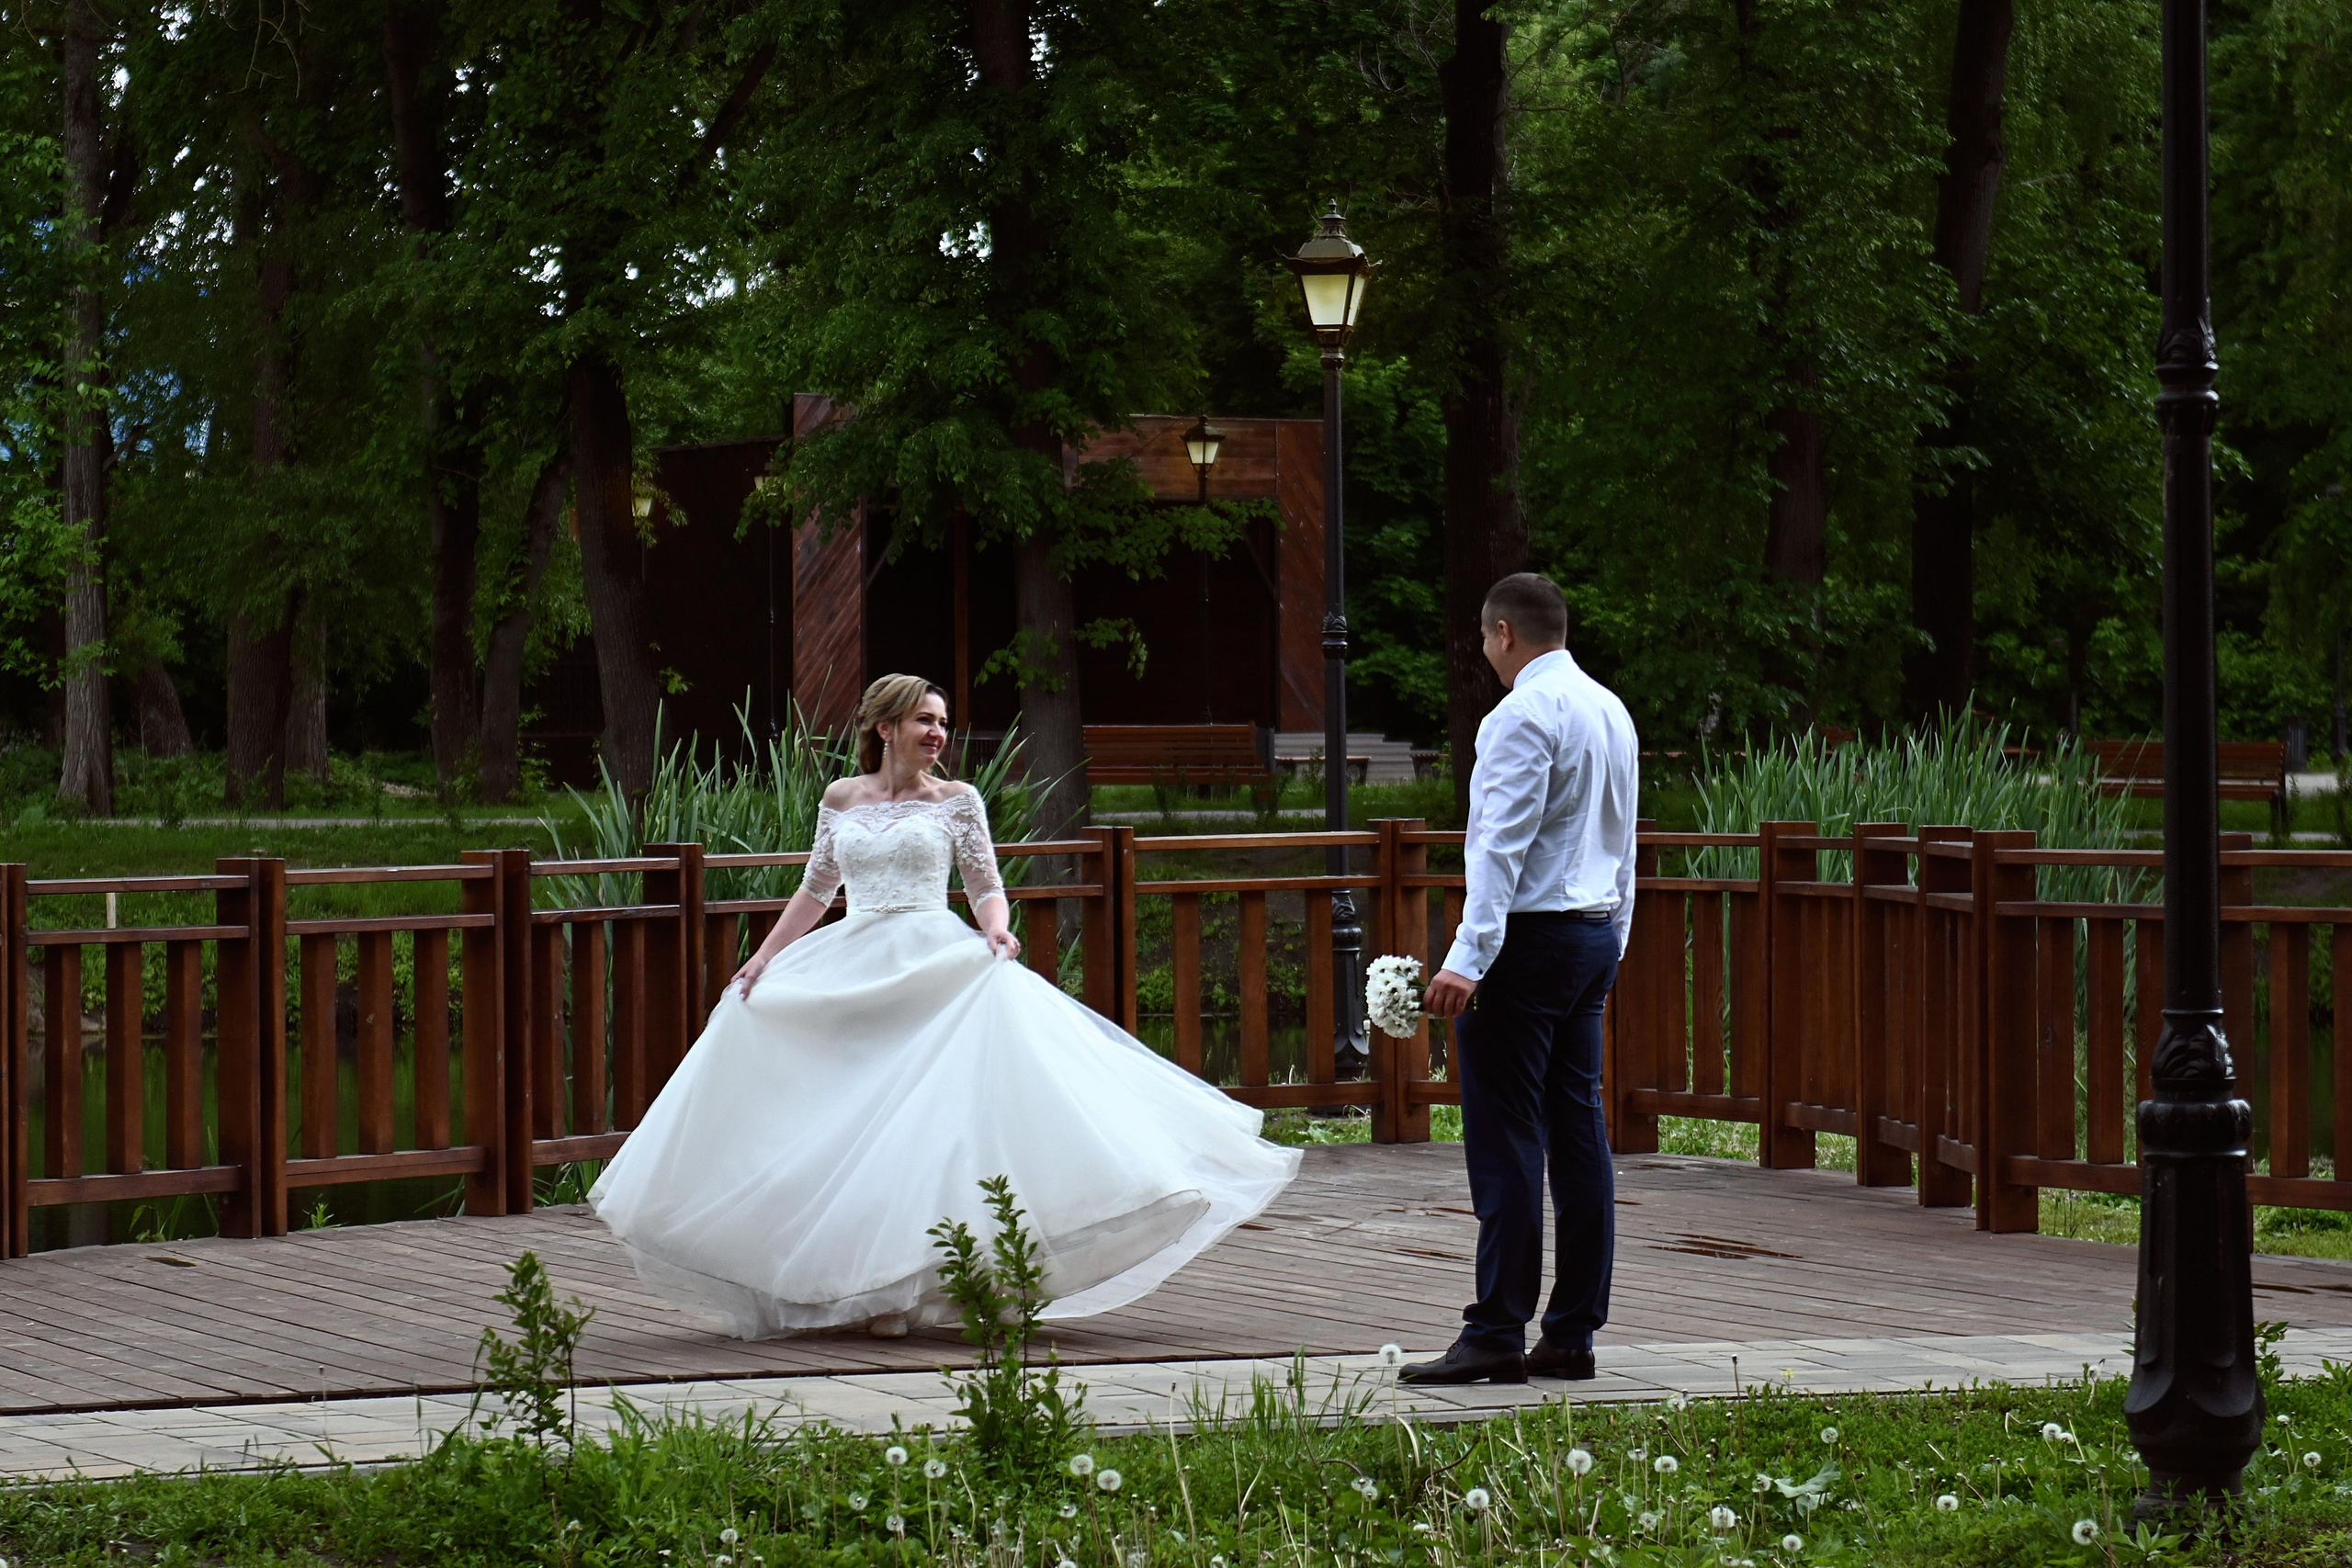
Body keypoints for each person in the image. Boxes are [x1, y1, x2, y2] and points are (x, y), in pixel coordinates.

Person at [590, 674, 1300, 1339]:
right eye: (925, 721)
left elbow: (984, 880)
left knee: (926, 1128)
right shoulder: (842, 798)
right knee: (852, 1116)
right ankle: (858, 1281)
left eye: (943, 723)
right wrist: (767, 955)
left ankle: (905, 1289)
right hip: (858, 958)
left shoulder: (956, 799)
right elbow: (817, 888)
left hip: (934, 958)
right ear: (887, 726)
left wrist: (995, 925)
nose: (938, 733)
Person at [1399, 573, 1639, 1385]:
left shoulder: (1520, 717)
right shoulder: (1611, 710)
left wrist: (1468, 957)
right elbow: (1625, 840)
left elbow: (1497, 847)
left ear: (1504, 632)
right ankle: (1572, 1333)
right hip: (1592, 935)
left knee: (1506, 1138)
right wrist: (1616, 934)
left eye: (1484, 638)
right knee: (1579, 1132)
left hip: (1527, 944)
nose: (1484, 651)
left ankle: (1497, 1328)